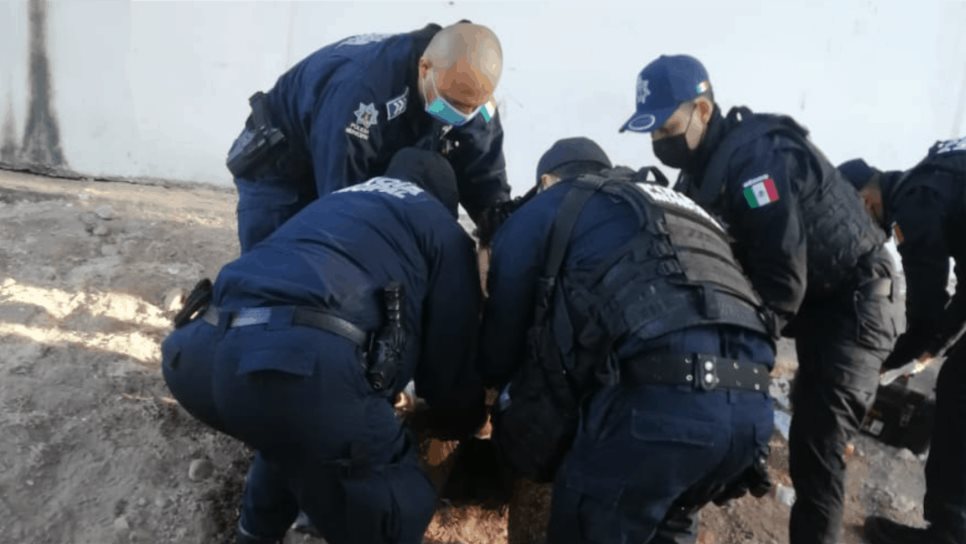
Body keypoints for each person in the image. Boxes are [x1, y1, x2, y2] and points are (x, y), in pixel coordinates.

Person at [619, 54, 901, 544]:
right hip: (820, 303)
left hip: (857, 303)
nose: (660, 142)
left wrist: (733, 353)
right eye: (653, 134)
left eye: (667, 127)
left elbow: (781, 282)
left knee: (817, 449)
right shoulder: (703, 171)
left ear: (703, 110)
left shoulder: (753, 159)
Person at [161, 148, 486, 544]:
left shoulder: (337, 200)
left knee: (284, 430)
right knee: (401, 503)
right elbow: (449, 363)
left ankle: (253, 534)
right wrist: (465, 419)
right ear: (445, 202)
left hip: (196, 353)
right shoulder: (441, 228)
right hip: (295, 370)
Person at [479, 137, 776, 543]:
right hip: (752, 410)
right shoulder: (673, 206)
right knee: (668, 521)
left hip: (659, 413)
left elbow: (499, 349)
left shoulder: (555, 203)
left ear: (546, 180)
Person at [225, 21, 510, 252]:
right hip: (282, 168)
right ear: (424, 69)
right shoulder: (364, 92)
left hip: (356, 151)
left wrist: (497, 228)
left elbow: (483, 174)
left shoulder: (469, 91)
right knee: (280, 270)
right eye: (448, 105)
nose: (459, 116)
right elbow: (341, 202)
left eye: (470, 110)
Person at [838, 137, 966, 544]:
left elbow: (927, 310)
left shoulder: (917, 202)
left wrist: (883, 363)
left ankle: (950, 530)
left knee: (960, 388)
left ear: (864, 200)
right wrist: (937, 343)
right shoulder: (936, 175)